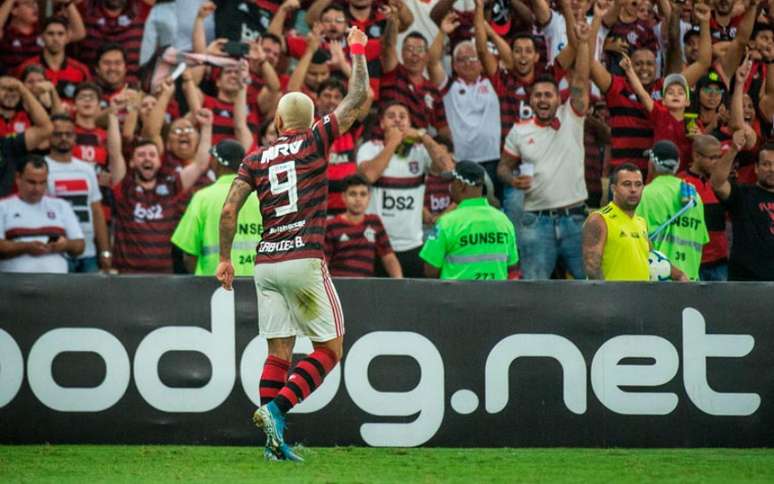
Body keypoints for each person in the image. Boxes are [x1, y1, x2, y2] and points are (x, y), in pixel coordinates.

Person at [216, 26, 371, 462]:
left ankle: (274, 445)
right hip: (304, 257)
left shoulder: (252, 158)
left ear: (279, 123)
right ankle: (275, 409)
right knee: (330, 348)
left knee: (278, 351)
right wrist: (357, 51)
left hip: (264, 262)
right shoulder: (316, 139)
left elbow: (229, 210)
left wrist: (226, 259)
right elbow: (357, 98)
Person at [496, 20, 592, 280]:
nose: (543, 100)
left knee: (592, 288)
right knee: (534, 294)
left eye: (548, 95)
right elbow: (503, 167)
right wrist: (512, 179)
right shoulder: (519, 130)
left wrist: (583, 43)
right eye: (537, 96)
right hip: (535, 223)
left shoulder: (571, 116)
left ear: (559, 98)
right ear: (531, 100)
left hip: (574, 219)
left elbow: (582, 80)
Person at [107, 101, 214, 273]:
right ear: (132, 162)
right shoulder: (124, 188)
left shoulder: (171, 187)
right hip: (127, 276)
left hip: (164, 276)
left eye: (152, 155)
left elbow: (200, 164)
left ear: (159, 161)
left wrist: (207, 127)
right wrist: (112, 116)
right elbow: (114, 153)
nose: (147, 159)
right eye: (141, 155)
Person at [356, 102, 450, 277]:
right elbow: (368, 176)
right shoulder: (370, 148)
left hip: (412, 244)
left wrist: (424, 137)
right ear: (382, 123)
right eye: (391, 116)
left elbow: (447, 168)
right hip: (375, 244)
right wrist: (393, 143)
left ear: (410, 123)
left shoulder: (420, 151)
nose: (397, 120)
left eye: (402, 116)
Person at [171, 139, 262, 276]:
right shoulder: (261, 195)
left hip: (214, 285)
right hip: (259, 282)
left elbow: (188, 254)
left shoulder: (203, 198)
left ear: (216, 162)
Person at [582, 162, 685, 281]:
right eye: (627, 184)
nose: (633, 190)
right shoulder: (599, 219)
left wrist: (680, 276)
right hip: (614, 298)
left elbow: (653, 257)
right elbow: (592, 268)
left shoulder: (641, 222)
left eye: (638, 184)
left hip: (641, 298)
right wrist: (606, 297)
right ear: (613, 189)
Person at [420, 161, 518, 280]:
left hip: (456, 296)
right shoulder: (503, 221)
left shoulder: (447, 222)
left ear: (461, 185)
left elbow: (430, 270)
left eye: (452, 181)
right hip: (495, 297)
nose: (450, 186)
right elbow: (512, 267)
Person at [44, 113, 111, 273]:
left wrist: (105, 251)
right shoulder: (41, 168)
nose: (63, 138)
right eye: (58, 134)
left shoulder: (87, 169)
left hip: (89, 252)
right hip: (56, 253)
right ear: (48, 137)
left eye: (69, 134)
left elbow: (96, 212)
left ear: (75, 138)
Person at [636, 140, 709, 280]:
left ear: (651, 164)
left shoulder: (645, 195)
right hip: (689, 280)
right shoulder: (694, 197)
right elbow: (701, 239)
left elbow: (637, 240)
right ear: (677, 165)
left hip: (658, 282)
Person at [0, 155, 84, 273]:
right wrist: (26, 247)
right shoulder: (3, 207)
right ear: (18, 178)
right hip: (15, 284)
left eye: (42, 182)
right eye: (31, 182)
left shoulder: (61, 206)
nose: (37, 188)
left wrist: (64, 245)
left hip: (54, 284)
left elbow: (80, 245)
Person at [711, 140, 774, 281]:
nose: (772, 169)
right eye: (766, 164)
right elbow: (717, 182)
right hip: (745, 282)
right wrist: (734, 148)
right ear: (756, 168)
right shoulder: (742, 194)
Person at [325, 174, 402, 277]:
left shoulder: (374, 222)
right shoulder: (331, 225)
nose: (358, 199)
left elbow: (388, 257)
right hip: (337, 287)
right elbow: (323, 263)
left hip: (367, 289)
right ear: (343, 197)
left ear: (369, 197)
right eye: (353, 194)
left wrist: (401, 283)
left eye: (363, 194)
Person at [0, 77, 53, 197]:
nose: (11, 93)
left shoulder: (28, 117)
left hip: (18, 194)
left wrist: (23, 90)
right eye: (5, 89)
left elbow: (46, 128)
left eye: (15, 90)